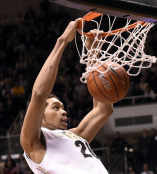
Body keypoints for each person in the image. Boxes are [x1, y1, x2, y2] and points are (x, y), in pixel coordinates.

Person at [20, 18, 113, 173]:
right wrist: (62, 41)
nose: (63, 111)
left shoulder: (75, 135)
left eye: (62, 107)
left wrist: (94, 56)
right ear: (40, 116)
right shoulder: (33, 142)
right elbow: (38, 95)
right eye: (55, 108)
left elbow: (103, 110)